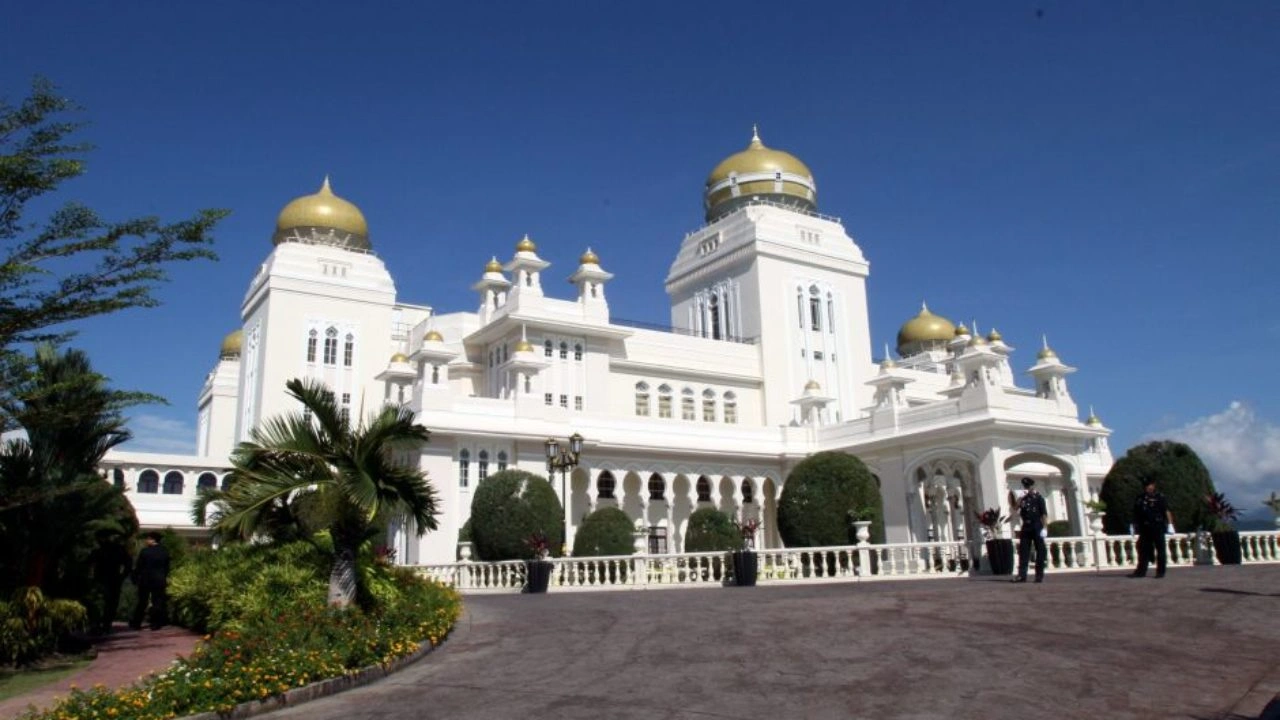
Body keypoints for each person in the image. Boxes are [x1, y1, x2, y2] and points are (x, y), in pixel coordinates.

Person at [1130, 478, 1175, 578]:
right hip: (1145, 527)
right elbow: (1136, 512)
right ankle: (1141, 571)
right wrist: (1133, 524)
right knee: (1143, 549)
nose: (1148, 488)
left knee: (1160, 550)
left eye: (1150, 485)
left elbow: (1166, 511)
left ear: (1154, 486)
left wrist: (1170, 524)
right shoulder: (1140, 498)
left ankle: (1160, 572)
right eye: (1146, 486)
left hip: (1157, 526)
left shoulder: (1160, 497)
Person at [88, 530, 132, 634]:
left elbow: (89, 563)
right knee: (111, 602)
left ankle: (98, 624)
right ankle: (106, 624)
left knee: (102, 602)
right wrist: (122, 576)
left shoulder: (99, 550)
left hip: (102, 579)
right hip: (113, 578)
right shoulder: (118, 549)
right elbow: (128, 563)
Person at [130, 531, 170, 630]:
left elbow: (139, 566)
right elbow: (167, 567)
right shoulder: (164, 551)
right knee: (157, 601)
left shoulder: (145, 551)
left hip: (146, 579)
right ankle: (156, 623)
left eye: (147, 539)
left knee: (142, 601)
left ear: (152, 540)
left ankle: (136, 622)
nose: (146, 541)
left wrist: (135, 577)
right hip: (159, 579)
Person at [1013, 477, 1048, 583]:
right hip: (1026, 526)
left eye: (1028, 486)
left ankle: (1039, 575)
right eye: (1025, 486)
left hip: (1036, 525)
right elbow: (1015, 508)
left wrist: (1045, 528)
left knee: (1040, 551)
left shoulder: (1038, 498)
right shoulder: (1023, 498)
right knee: (1023, 551)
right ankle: (1022, 575)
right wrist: (1020, 498)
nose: (1027, 488)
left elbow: (1044, 514)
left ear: (1033, 486)